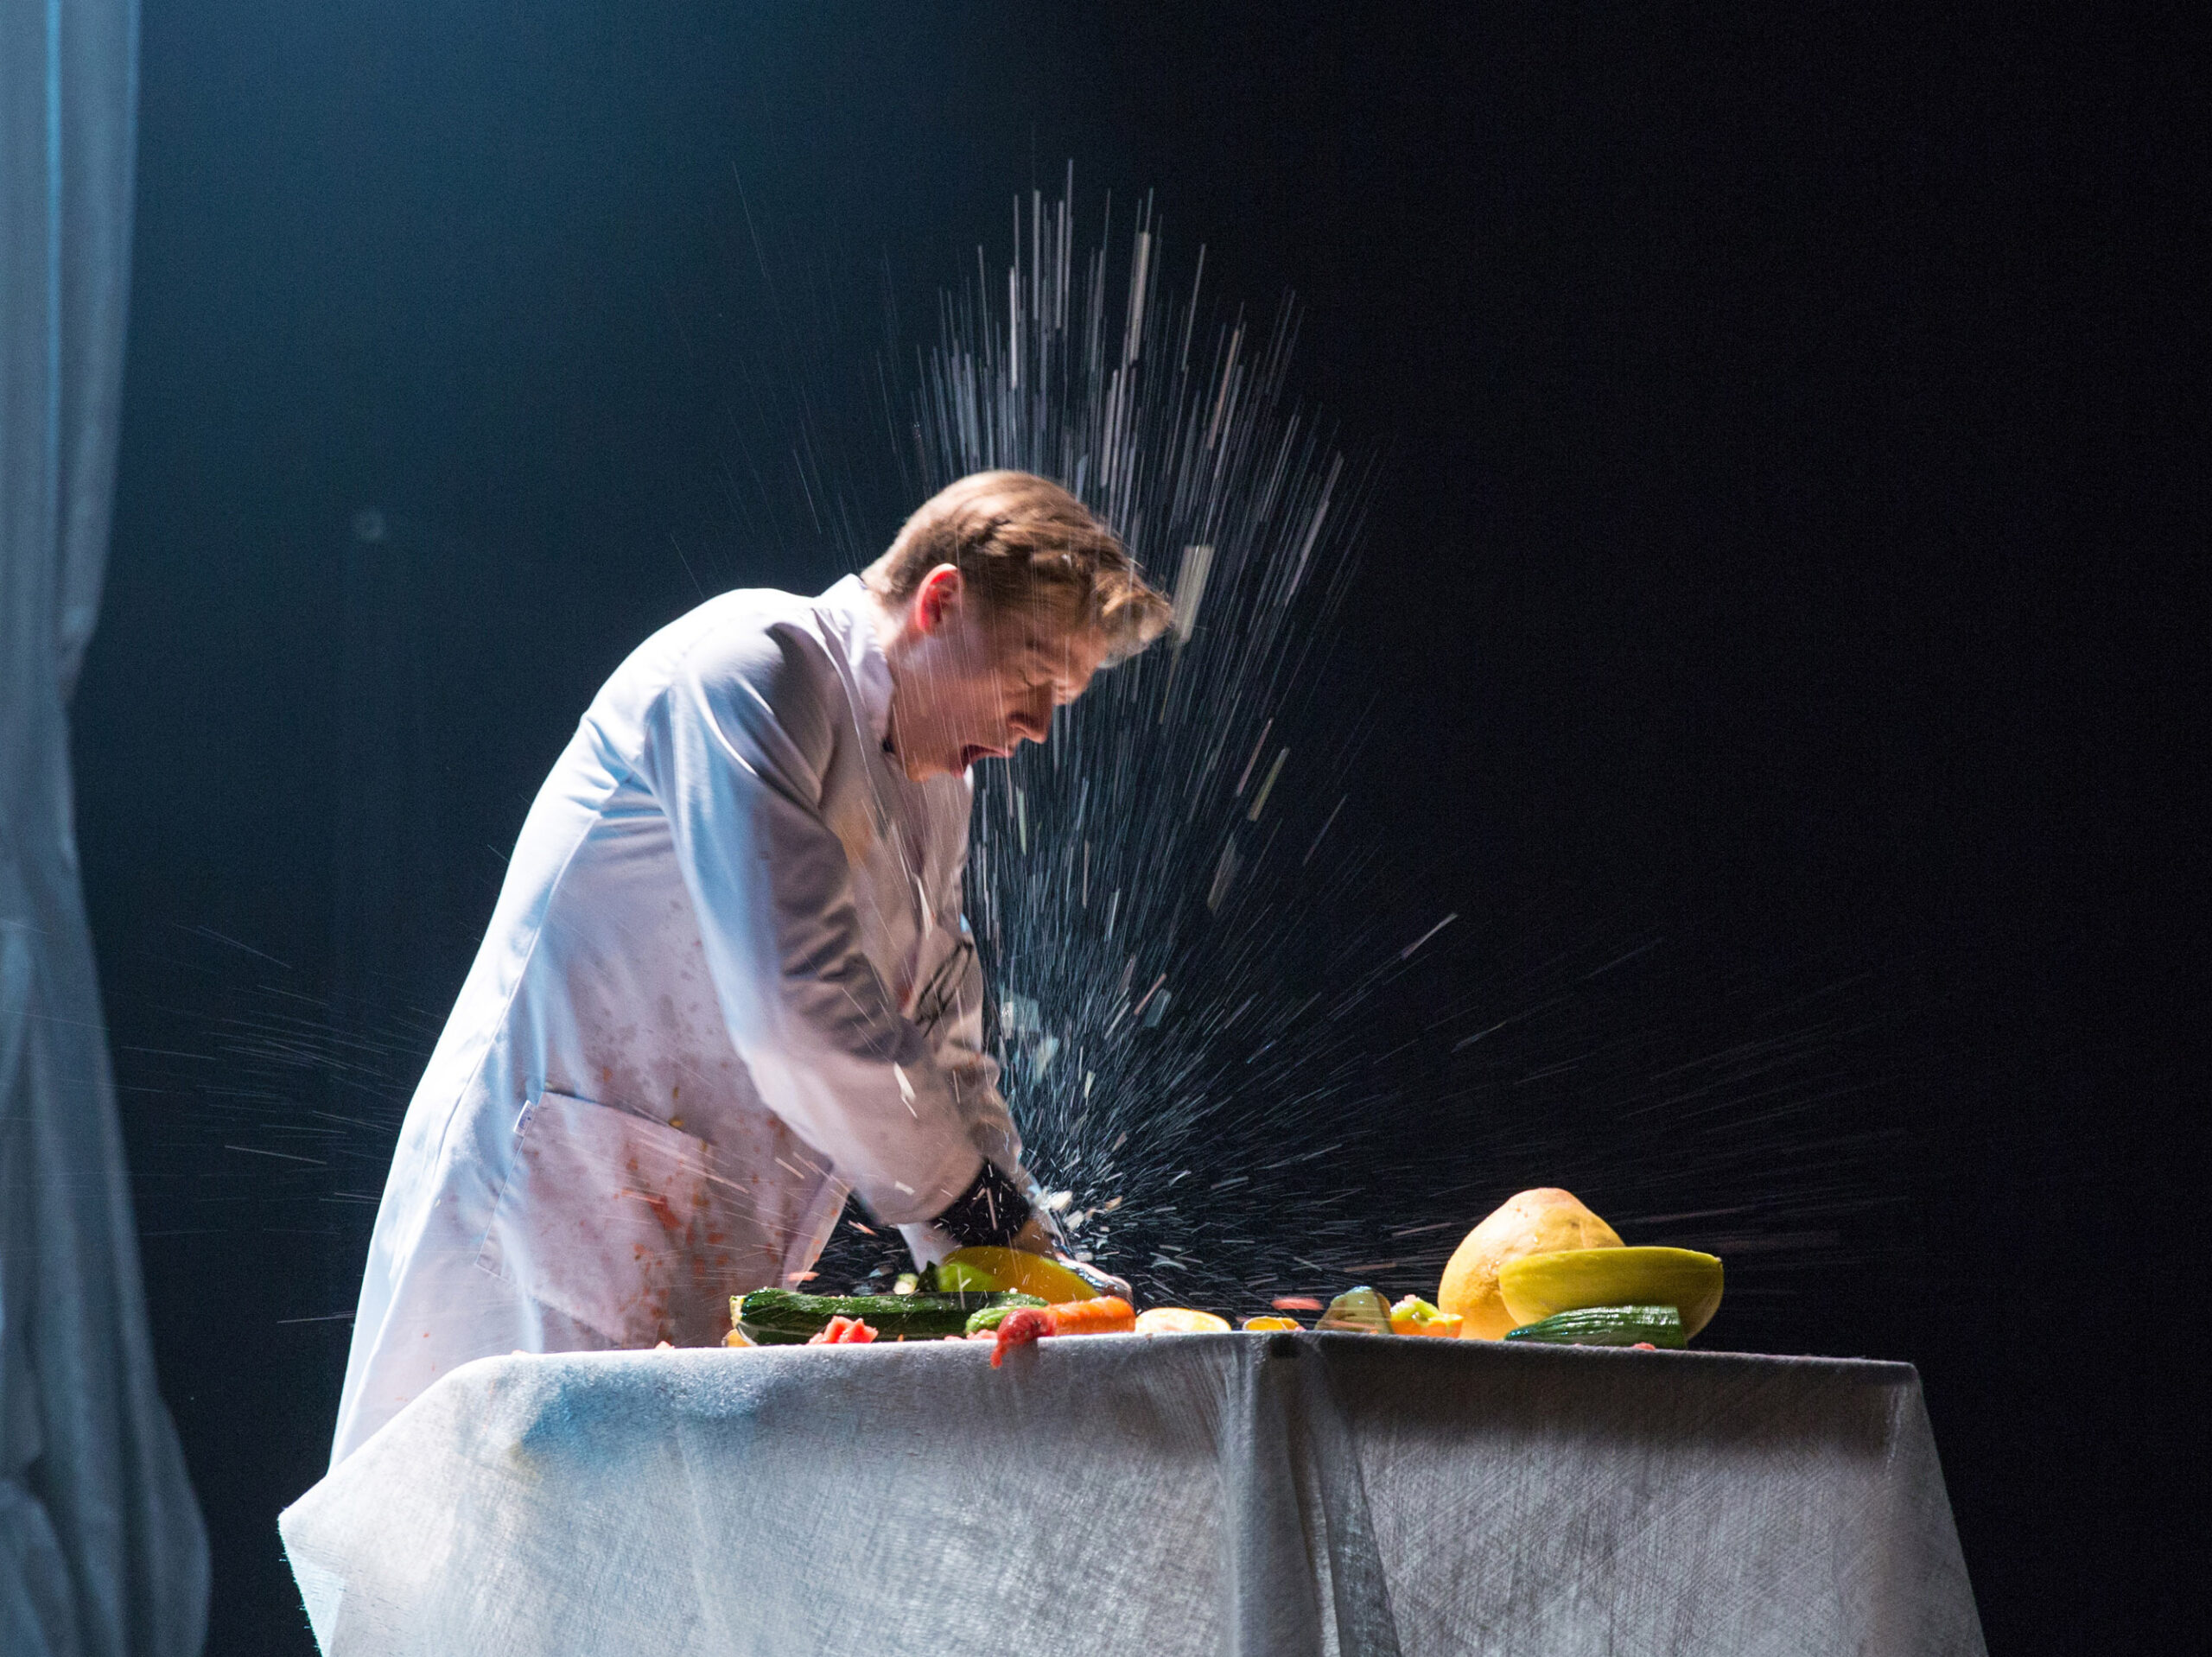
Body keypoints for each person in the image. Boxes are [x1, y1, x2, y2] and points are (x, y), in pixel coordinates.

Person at [328, 472, 1171, 1465]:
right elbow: (795, 1005)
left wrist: (1017, 1258)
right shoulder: (755, 662)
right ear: (940, 601)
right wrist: (973, 1208)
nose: (1037, 725)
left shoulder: (939, 782)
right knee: (490, 1588)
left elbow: (941, 1033)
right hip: (547, 1220)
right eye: (1032, 677)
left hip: (689, 1244)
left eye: (1061, 700)